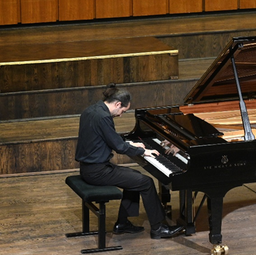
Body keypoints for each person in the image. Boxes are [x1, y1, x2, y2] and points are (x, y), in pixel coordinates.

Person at [75, 83, 183, 239]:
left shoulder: (91, 110)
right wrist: (143, 151)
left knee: (134, 177)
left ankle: (122, 223)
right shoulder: (103, 117)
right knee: (146, 182)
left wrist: (131, 143)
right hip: (97, 172)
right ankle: (158, 228)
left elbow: (106, 137)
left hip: (88, 168)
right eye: (123, 111)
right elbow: (119, 147)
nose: (120, 115)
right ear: (118, 104)